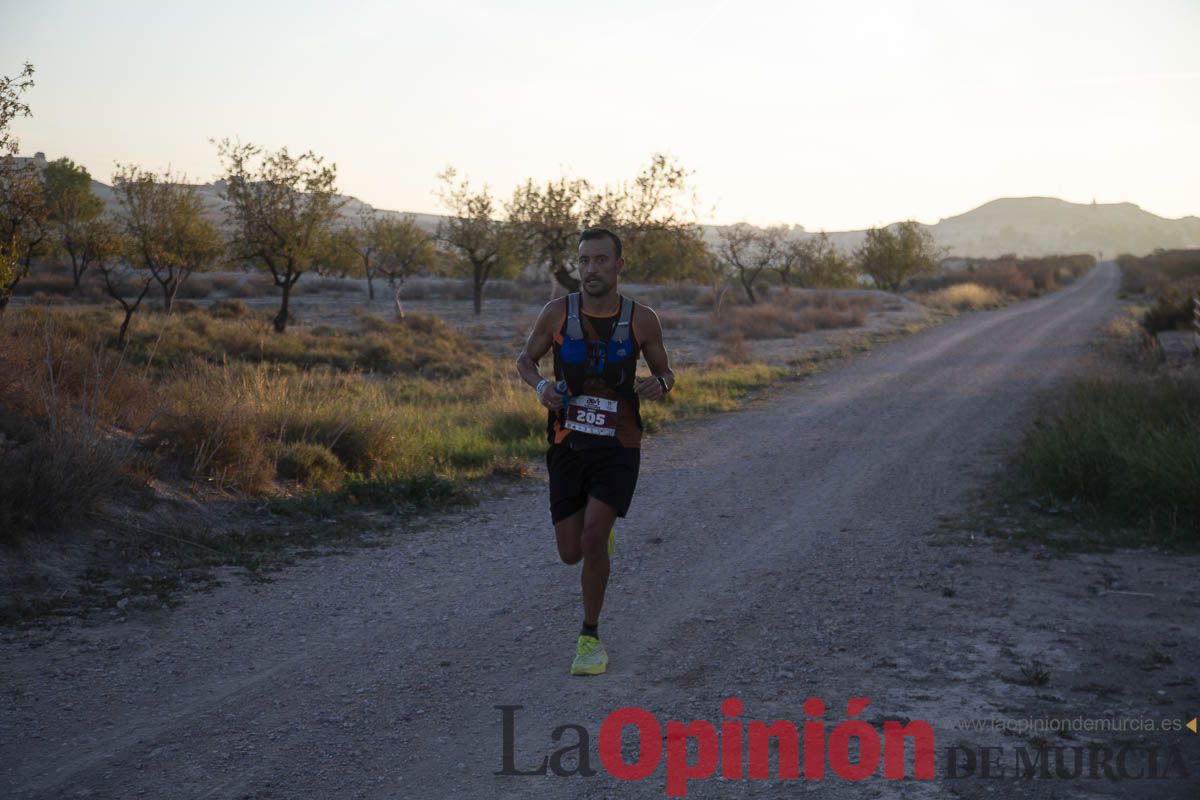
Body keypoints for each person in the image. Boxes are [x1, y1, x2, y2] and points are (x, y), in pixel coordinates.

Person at [515, 227, 675, 675]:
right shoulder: (556, 313)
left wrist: (657, 384)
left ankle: (590, 638)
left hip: (619, 444)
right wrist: (543, 386)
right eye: (585, 260)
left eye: (602, 260)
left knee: (590, 538)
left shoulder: (642, 319)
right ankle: (596, 535)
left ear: (619, 266)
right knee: (571, 551)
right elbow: (524, 361)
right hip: (567, 441)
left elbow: (666, 372)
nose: (591, 269)